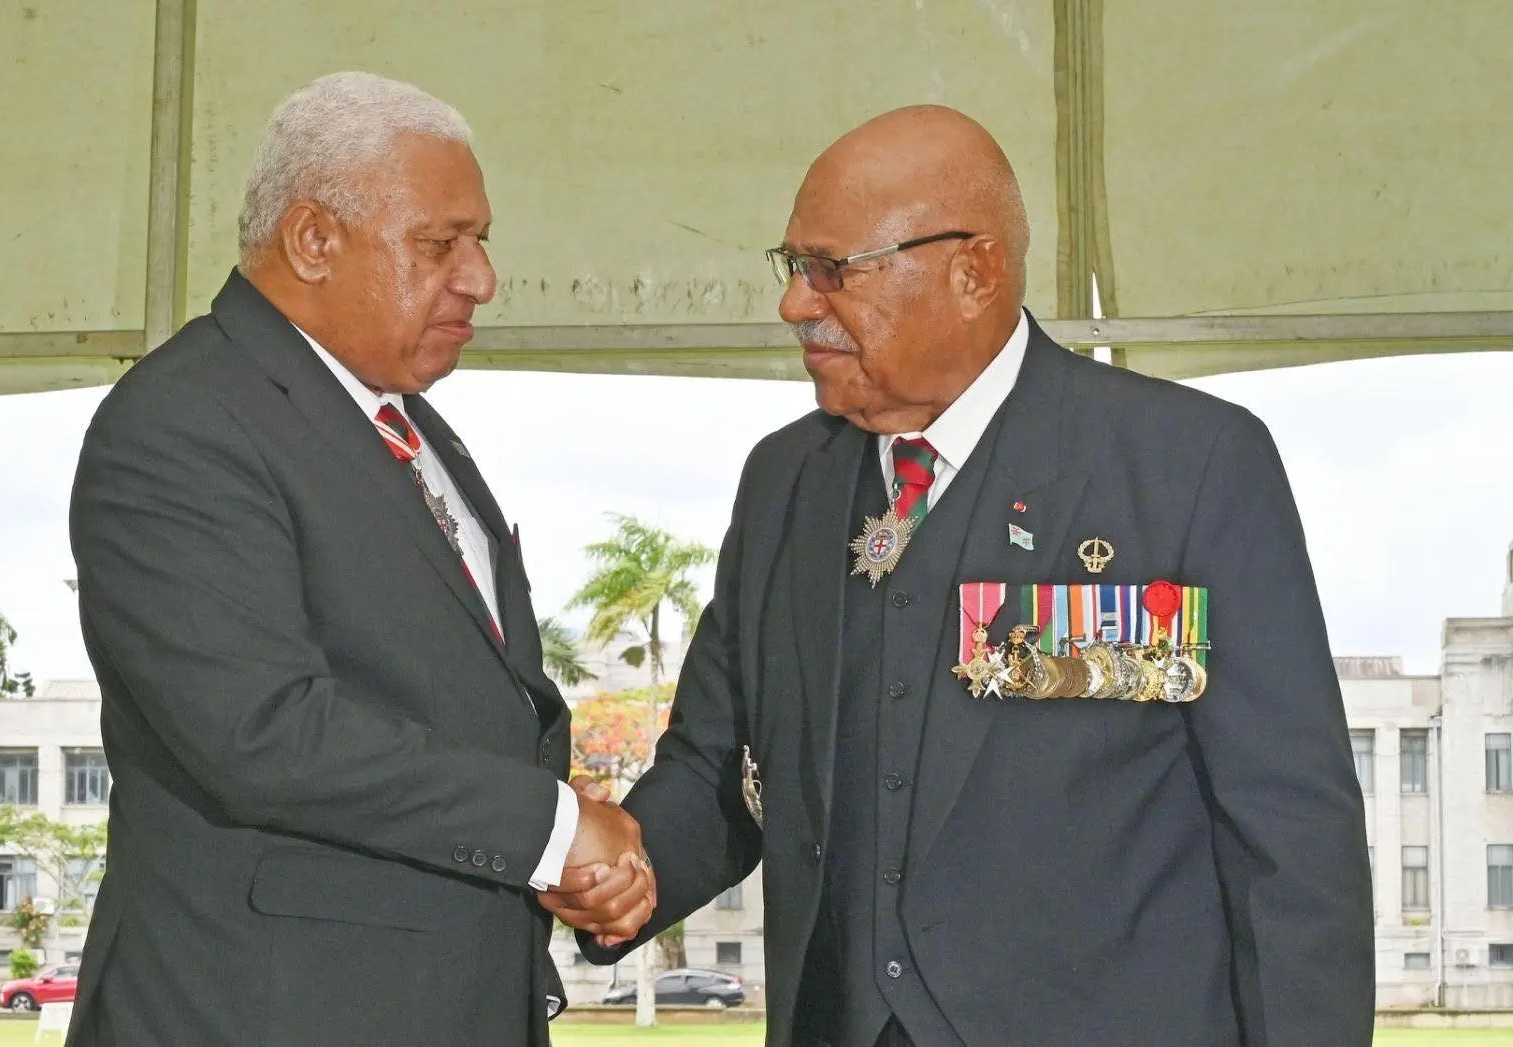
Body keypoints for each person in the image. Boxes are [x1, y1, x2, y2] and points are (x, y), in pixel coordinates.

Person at [548, 106, 1374, 1047]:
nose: (795, 303)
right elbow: (717, 765)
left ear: (973, 270)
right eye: (793, 266)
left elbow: (1290, 834)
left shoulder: (1187, 466)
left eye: (831, 269)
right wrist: (622, 875)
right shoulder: (786, 483)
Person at [67, 72, 653, 1047]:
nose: (480, 278)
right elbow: (260, 730)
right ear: (312, 240)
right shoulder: (183, 421)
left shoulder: (407, 426)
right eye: (440, 244)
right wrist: (547, 829)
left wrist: (567, 849)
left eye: (481, 241)